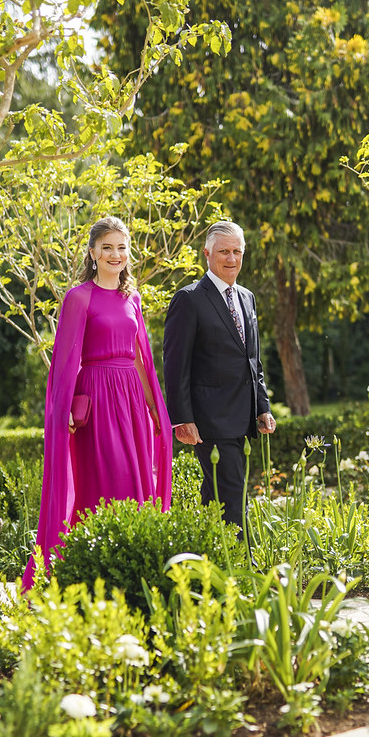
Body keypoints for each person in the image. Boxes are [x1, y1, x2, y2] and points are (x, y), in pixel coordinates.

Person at [22, 217, 172, 589]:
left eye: (121, 247)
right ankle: (86, 576)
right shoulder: (78, 297)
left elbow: (139, 358)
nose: (115, 255)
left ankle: (131, 578)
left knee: (136, 486)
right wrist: (64, 409)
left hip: (132, 402)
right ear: (92, 253)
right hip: (99, 400)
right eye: (107, 247)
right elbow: (64, 361)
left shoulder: (132, 297)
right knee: (106, 484)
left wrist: (154, 407)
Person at [163, 220, 275, 533]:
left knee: (217, 497)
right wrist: (182, 418)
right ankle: (242, 559)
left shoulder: (247, 297)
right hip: (209, 419)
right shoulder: (189, 299)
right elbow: (175, 364)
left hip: (242, 418)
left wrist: (262, 407)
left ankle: (203, 554)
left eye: (237, 251)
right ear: (207, 253)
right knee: (234, 494)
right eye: (224, 251)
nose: (231, 258)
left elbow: (253, 360)